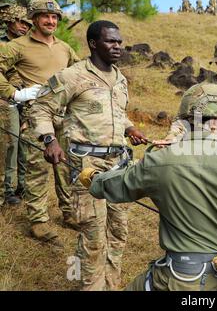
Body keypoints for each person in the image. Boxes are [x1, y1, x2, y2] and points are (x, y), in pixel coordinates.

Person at [79, 83, 217, 291]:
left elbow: (115, 186)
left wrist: (94, 178)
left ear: (187, 120)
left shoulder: (158, 160)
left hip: (175, 277)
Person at [31, 20, 148, 291]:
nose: (117, 46)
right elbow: (40, 108)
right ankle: (91, 287)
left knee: (118, 230)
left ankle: (111, 283)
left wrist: (130, 127)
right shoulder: (71, 76)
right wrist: (49, 140)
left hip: (119, 164)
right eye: (110, 41)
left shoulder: (120, 79)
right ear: (94, 44)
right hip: (87, 166)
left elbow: (116, 112)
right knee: (93, 233)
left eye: (119, 41)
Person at [0, 0, 79, 245]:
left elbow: (80, 73)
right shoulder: (16, 47)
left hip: (65, 115)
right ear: (33, 19)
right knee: (38, 168)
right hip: (35, 115)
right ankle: (39, 221)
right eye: (45, 16)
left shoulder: (64, 48)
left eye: (54, 16)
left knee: (67, 166)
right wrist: (13, 93)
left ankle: (69, 212)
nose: (50, 20)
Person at [0, 4, 31, 206]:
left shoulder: (29, 45)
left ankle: (24, 186)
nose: (24, 26)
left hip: (28, 100)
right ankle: (7, 189)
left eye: (28, 23)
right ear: (9, 21)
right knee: (10, 144)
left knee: (26, 145)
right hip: (6, 100)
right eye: (20, 21)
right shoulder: (2, 45)